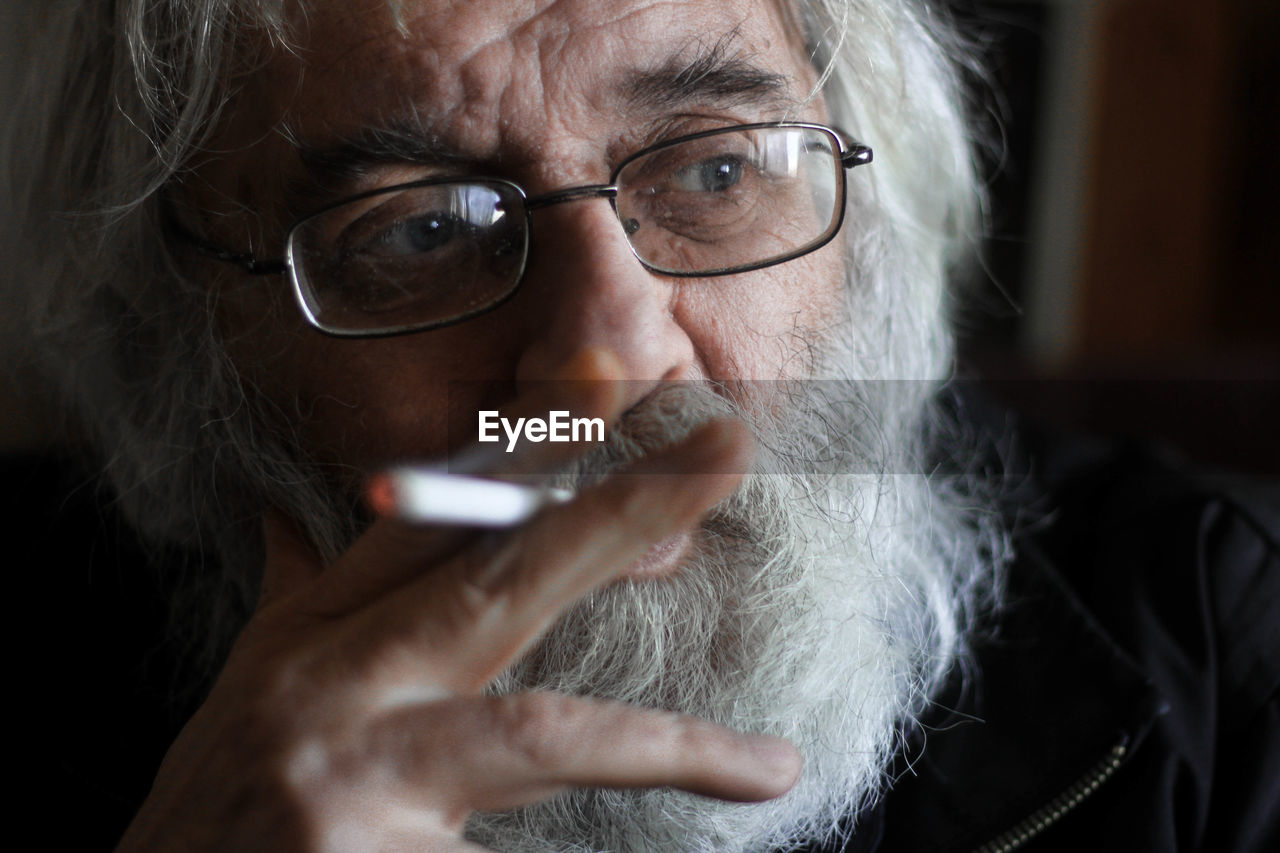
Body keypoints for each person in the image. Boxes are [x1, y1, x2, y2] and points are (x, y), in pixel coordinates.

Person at [2, 0, 1276, 851]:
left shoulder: (1216, 639)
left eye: (715, 172)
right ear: (173, 341)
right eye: (416, 229)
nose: (610, 369)